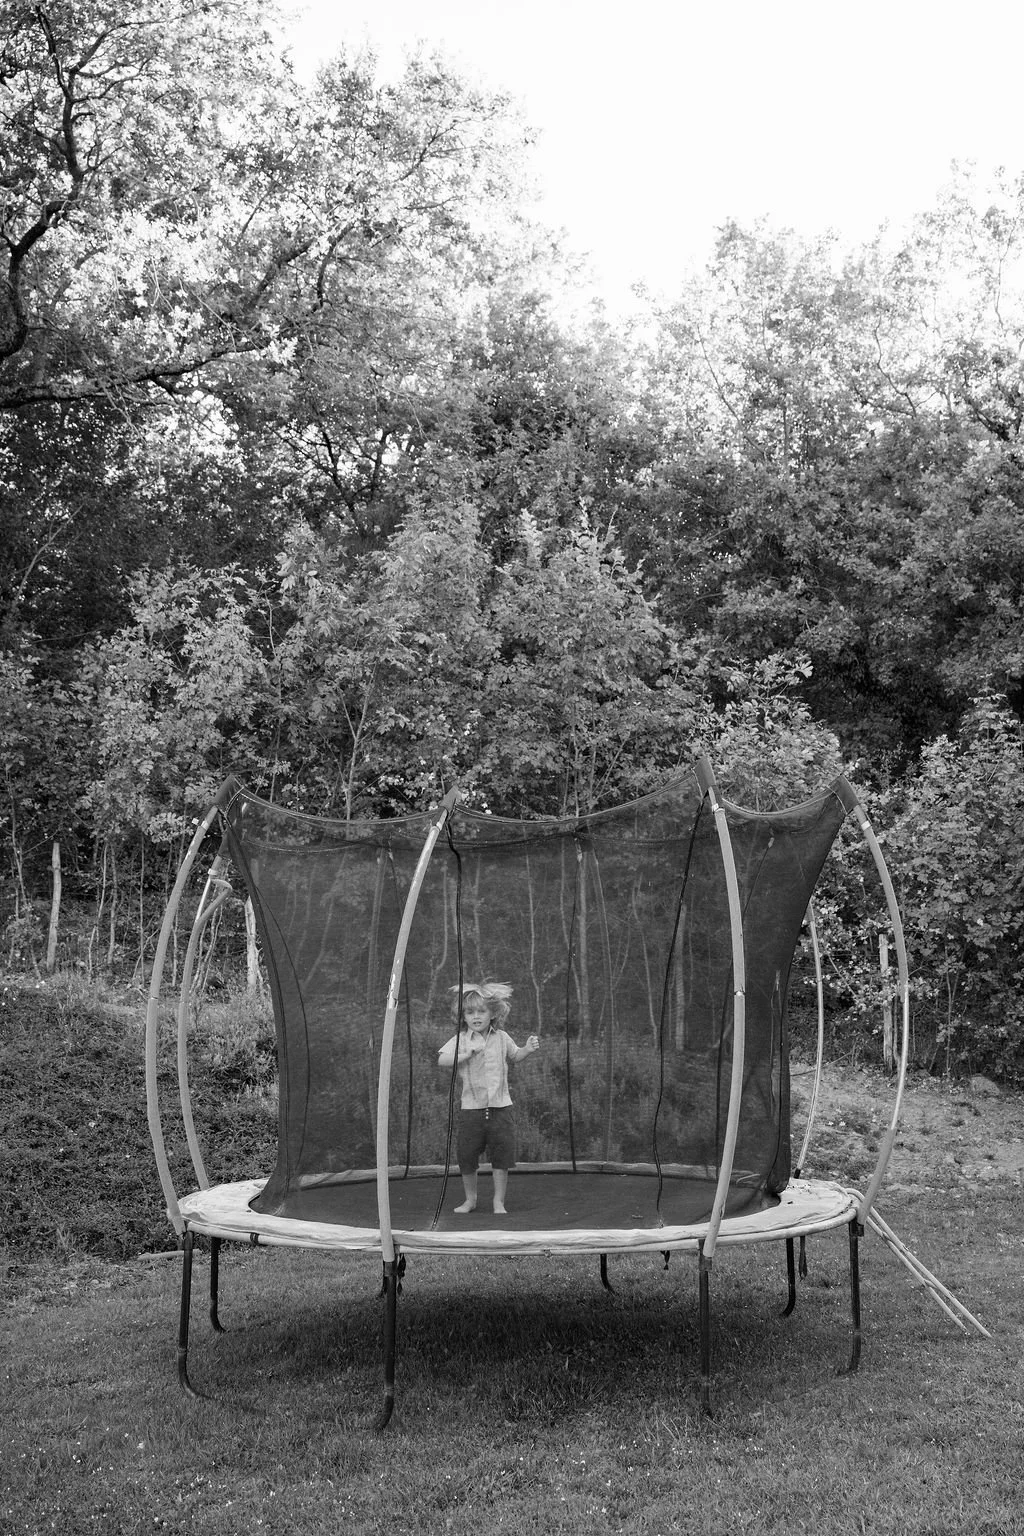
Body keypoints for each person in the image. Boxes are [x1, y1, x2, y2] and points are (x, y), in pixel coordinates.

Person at [437, 981, 540, 1215]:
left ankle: (498, 1202)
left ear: (492, 1013)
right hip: (471, 1109)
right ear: (462, 1016)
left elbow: (515, 1056)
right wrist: (465, 1054)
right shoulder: (462, 1039)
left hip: (501, 1108)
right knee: (467, 1156)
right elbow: (442, 1060)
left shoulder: (502, 1037)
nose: (475, 1017)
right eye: (469, 1012)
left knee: (501, 1158)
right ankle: (470, 1200)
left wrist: (527, 1049)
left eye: (481, 1011)